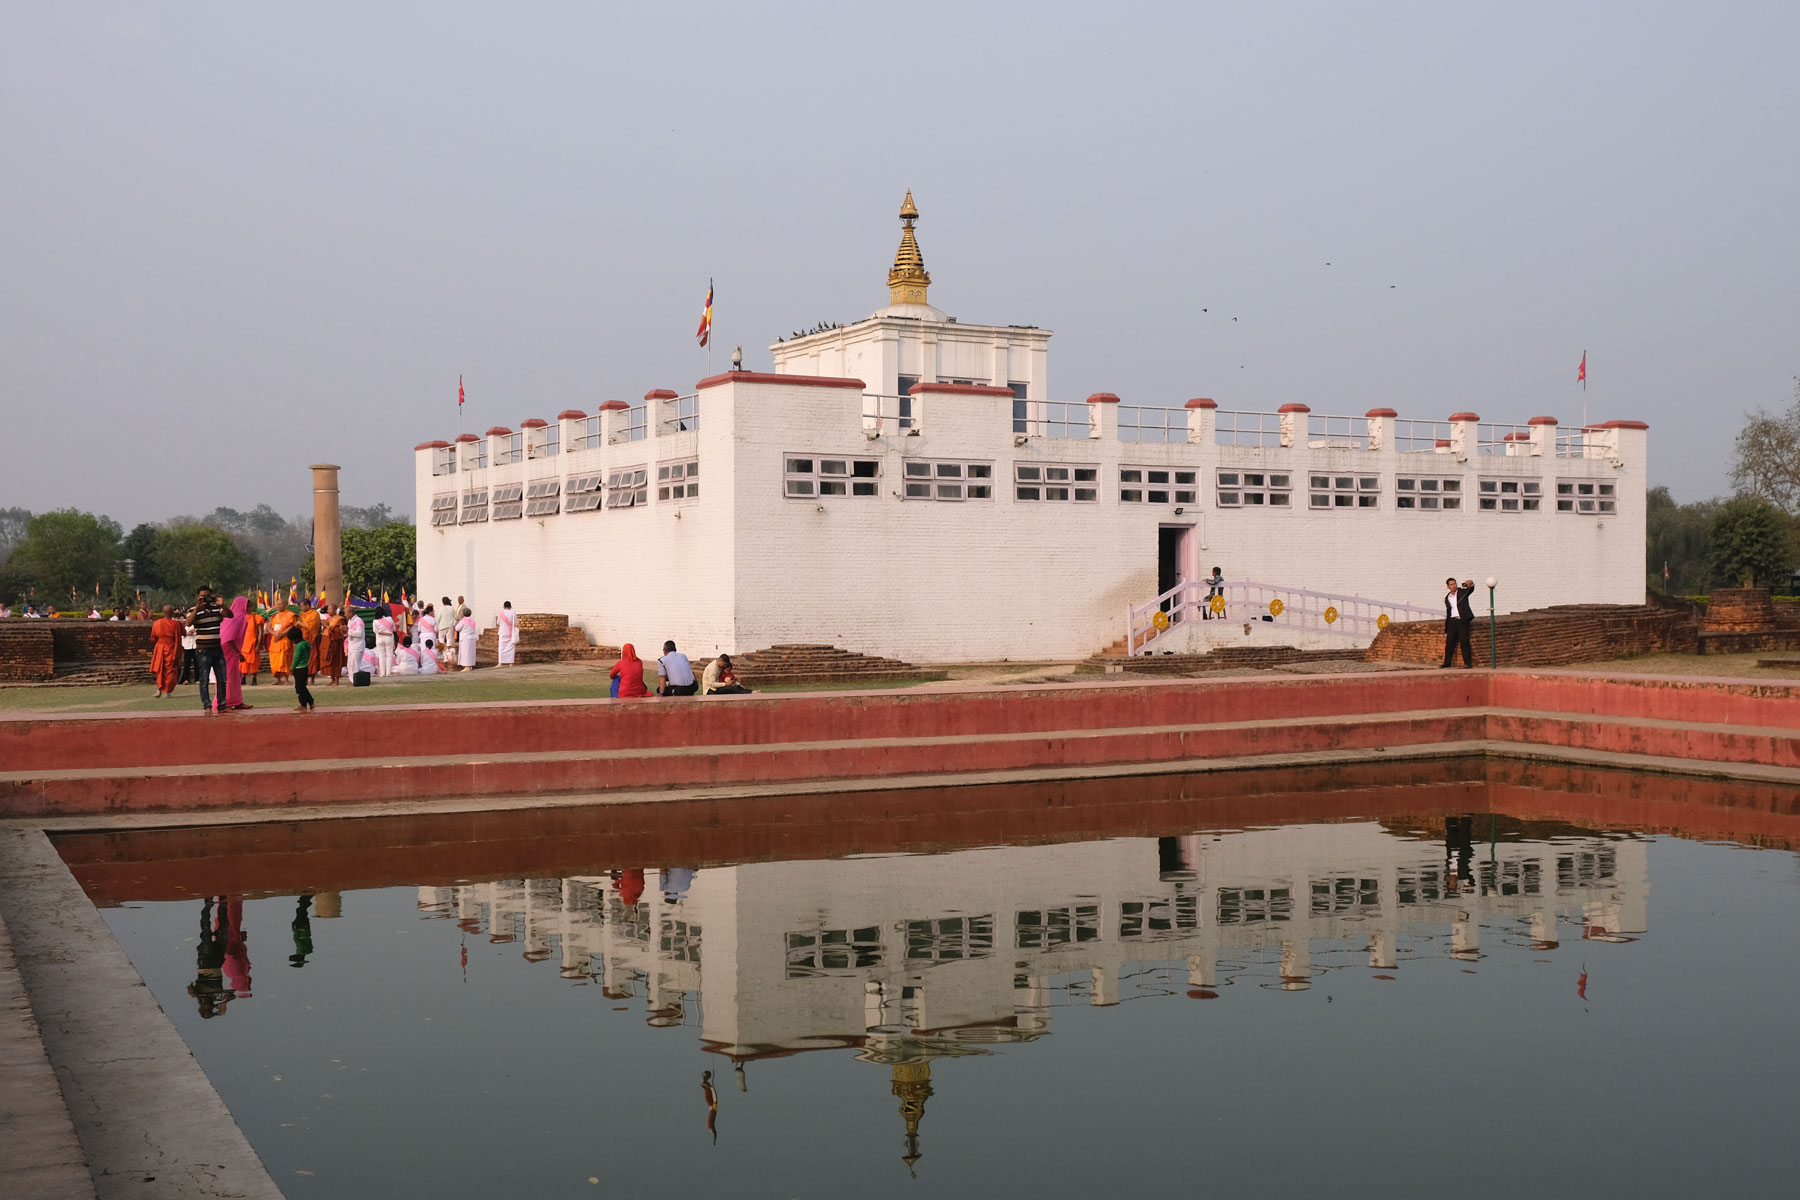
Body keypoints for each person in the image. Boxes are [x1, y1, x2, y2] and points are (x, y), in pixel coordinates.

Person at [187, 587, 229, 714]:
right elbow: (188, 623)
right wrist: (197, 608)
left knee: (222, 678)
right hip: (203, 650)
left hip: (217, 648)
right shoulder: (193, 610)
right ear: (198, 597)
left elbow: (229, 615)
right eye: (202, 597)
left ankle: (222, 705)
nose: (205, 599)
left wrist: (222, 605)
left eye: (207, 596)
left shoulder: (217, 609)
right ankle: (207, 705)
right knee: (204, 679)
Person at [218, 597, 252, 710]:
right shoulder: (236, 618)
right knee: (228, 677)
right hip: (229, 650)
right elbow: (228, 639)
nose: (250, 608)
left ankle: (237, 701)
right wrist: (238, 653)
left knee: (236, 677)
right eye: (248, 606)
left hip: (231, 650)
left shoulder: (240, 617)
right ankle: (223, 703)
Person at [1442, 577, 1476, 668]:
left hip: (1462, 620)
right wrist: (1446, 628)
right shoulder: (1447, 598)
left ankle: (1467, 663)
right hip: (1452, 621)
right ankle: (1447, 663)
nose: (1454, 586)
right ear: (1448, 586)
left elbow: (1471, 587)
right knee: (1449, 643)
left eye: (1455, 583)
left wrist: (1469, 582)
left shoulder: (1462, 592)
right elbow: (1448, 613)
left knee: (1464, 642)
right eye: (1451, 584)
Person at [150, 605, 183, 697]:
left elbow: (153, 638)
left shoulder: (156, 623)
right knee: (170, 670)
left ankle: (159, 689)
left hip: (160, 648)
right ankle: (167, 691)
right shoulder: (176, 624)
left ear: (162, 612)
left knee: (160, 669)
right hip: (171, 648)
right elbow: (183, 633)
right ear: (172, 613)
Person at [239, 600, 266, 688]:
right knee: (243, 662)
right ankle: (243, 678)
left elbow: (261, 632)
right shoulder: (241, 618)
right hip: (243, 644)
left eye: (249, 607)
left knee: (254, 662)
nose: (247, 609)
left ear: (251, 607)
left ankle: (254, 678)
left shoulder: (256, 617)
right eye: (246, 607)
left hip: (253, 643)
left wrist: (258, 644)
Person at [288, 625, 315, 711]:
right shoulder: (306, 643)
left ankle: (304, 704)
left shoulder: (299, 646)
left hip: (299, 668)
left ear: (295, 639)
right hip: (305, 667)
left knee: (300, 688)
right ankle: (310, 702)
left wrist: (292, 668)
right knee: (302, 687)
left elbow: (296, 658)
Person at [319, 606, 347, 686]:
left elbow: (340, 632)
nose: (328, 610)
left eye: (330, 609)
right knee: (328, 661)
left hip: (335, 642)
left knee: (336, 661)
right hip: (327, 641)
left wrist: (328, 627)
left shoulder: (339, 619)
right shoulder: (328, 619)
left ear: (335, 610)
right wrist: (324, 626)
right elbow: (324, 630)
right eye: (328, 609)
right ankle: (332, 679)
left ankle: (337, 680)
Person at [268, 606, 295, 683]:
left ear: (285, 604)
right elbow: (269, 628)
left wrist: (282, 634)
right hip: (275, 641)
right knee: (275, 662)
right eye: (278, 604)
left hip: (284, 640)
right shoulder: (274, 616)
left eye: (281, 604)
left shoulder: (290, 615)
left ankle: (286, 679)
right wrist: (274, 634)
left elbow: (291, 626)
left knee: (285, 660)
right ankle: (278, 679)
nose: (279, 606)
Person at [373, 609, 396, 676]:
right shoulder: (390, 619)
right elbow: (394, 629)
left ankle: (382, 673)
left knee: (381, 655)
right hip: (389, 638)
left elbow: (375, 631)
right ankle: (388, 673)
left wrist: (383, 633)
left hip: (379, 639)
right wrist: (387, 633)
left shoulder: (375, 621)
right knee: (389, 655)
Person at [495, 601, 518, 667]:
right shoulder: (513, 612)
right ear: (510, 606)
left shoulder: (501, 612)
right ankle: (510, 663)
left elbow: (498, 622)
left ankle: (500, 663)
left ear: (504, 606)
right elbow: (516, 623)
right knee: (511, 647)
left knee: (501, 647)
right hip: (510, 632)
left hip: (502, 632)